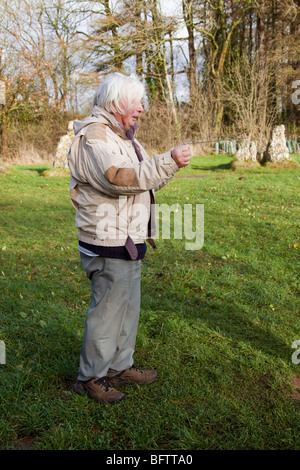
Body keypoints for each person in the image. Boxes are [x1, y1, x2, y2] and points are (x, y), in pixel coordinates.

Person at [68, 72, 191, 404]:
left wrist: (170, 164)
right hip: (107, 241)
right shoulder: (95, 137)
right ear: (115, 102)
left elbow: (143, 182)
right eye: (136, 101)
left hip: (128, 237)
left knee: (127, 308)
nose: (141, 108)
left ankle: (119, 367)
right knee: (108, 312)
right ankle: (90, 377)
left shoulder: (122, 137)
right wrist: (167, 160)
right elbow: (119, 179)